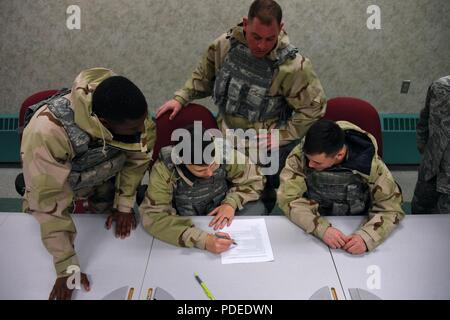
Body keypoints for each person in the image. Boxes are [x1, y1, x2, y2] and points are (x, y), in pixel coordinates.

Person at [156, 0, 326, 211]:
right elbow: (203, 77)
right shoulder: (225, 46)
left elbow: (314, 107)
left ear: (280, 29)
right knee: (217, 194)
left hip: (263, 145)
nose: (262, 45)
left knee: (256, 203)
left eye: (269, 38)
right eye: (256, 37)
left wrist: (283, 135)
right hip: (224, 136)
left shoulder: (293, 66)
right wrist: (181, 98)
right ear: (246, 24)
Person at [21, 67, 155, 300]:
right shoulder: (46, 133)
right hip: (61, 185)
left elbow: (137, 159)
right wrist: (66, 267)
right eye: (135, 129)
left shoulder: (132, 113)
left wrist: (123, 206)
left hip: (105, 179)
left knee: (116, 246)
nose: (143, 130)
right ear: (103, 122)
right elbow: (48, 202)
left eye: (144, 122)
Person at [277, 119, 405, 254]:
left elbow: (391, 208)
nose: (310, 165)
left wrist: (367, 237)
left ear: (339, 155)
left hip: (356, 224)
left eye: (317, 162)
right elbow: (288, 199)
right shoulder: (301, 155)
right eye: (309, 159)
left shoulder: (370, 165)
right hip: (314, 224)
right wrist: (320, 228)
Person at [139, 125, 265, 254]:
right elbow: (154, 217)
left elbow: (255, 179)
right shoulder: (164, 170)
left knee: (258, 208)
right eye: (201, 170)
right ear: (182, 161)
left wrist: (231, 203)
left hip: (222, 212)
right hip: (184, 220)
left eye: (212, 165)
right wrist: (202, 240)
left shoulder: (224, 152)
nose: (210, 173)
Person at [411, 75, 450, 214]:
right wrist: (423, 147)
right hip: (430, 169)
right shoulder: (440, 86)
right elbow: (425, 117)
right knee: (419, 215)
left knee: (443, 227)